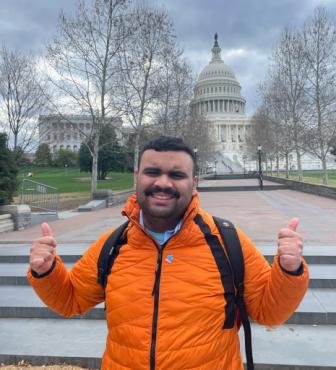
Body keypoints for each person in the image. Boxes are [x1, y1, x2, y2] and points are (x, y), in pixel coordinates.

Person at [28, 136, 309, 370]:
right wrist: (46, 272)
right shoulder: (113, 245)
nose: (163, 183)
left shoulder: (227, 241)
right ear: (138, 177)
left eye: (177, 174)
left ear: (194, 182)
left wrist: (289, 271)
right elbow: (70, 299)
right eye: (153, 172)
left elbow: (269, 313)